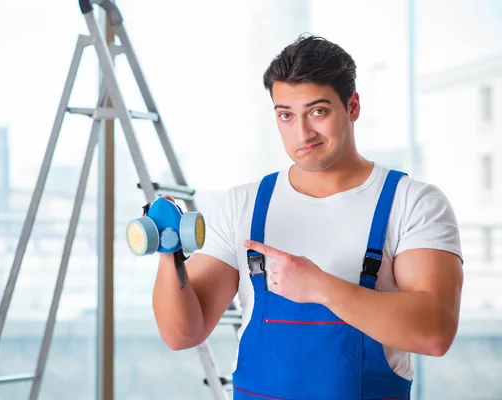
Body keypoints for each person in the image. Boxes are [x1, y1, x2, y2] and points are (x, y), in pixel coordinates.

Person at [151, 34, 464, 399]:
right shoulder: (244, 204)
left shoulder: (413, 202)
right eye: (286, 115)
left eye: (318, 111)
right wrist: (168, 253)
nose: (303, 133)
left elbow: (435, 332)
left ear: (353, 106)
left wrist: (319, 287)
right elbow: (182, 333)